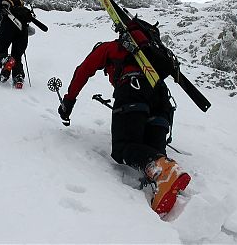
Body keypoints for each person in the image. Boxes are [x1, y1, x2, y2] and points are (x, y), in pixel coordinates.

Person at [57, 17, 191, 215]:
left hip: (132, 89)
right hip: (162, 99)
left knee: (123, 148)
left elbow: (84, 70)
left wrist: (69, 101)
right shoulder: (153, 53)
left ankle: (165, 171)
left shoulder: (113, 47)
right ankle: (166, 179)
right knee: (151, 151)